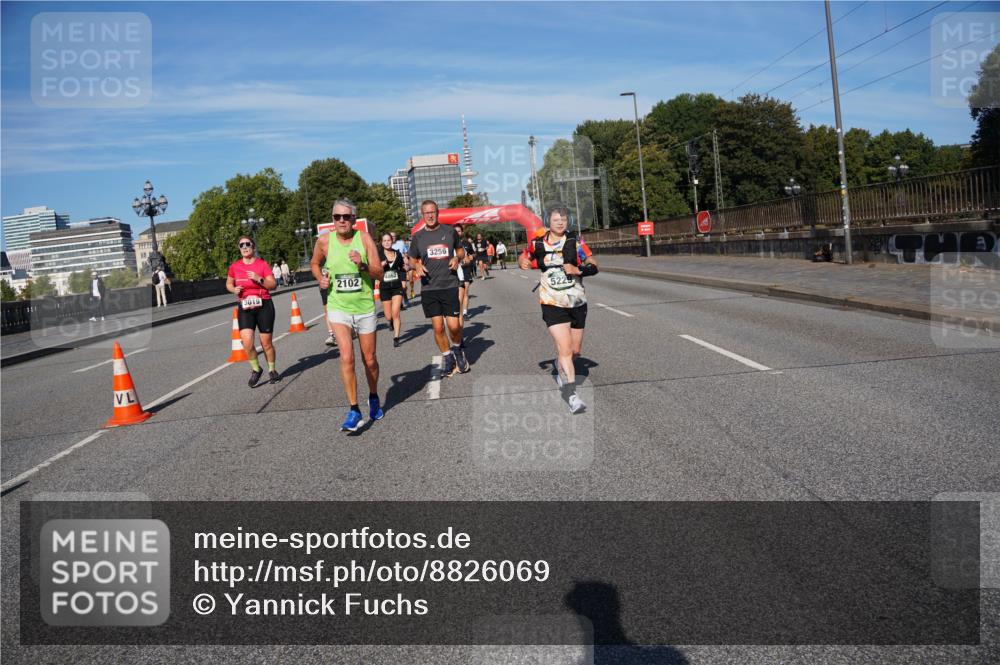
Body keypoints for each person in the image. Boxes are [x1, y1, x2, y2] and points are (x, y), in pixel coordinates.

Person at [311, 199, 385, 432]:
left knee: (369, 360)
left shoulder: (363, 239)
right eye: (337, 217)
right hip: (338, 307)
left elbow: (379, 273)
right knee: (346, 357)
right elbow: (314, 262)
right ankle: (354, 409)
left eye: (346, 217)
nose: (341, 221)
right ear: (332, 219)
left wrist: (362, 265)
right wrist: (319, 278)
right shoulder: (324, 240)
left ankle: (373, 396)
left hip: (364, 307)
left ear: (353, 219)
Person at [518, 204, 598, 414]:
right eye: (556, 219)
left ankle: (558, 363)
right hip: (551, 302)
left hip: (577, 301)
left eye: (563, 219)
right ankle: (571, 394)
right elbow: (523, 257)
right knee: (564, 349)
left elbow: (593, 263)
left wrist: (579, 268)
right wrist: (523, 262)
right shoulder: (537, 243)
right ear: (548, 222)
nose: (561, 222)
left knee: (575, 352)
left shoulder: (575, 241)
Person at [408, 199, 469, 377]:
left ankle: (457, 349)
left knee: (454, 326)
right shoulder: (418, 237)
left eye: (432, 212)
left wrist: (457, 258)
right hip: (429, 288)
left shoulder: (449, 232)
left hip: (449, 284)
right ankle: (448, 357)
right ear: (422, 214)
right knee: (438, 328)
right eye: (426, 213)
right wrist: (416, 266)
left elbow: (460, 251)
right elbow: (411, 259)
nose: (430, 215)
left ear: (438, 213)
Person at [227, 236, 280, 387]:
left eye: (247, 244)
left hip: (264, 305)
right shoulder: (235, 266)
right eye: (241, 245)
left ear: (253, 247)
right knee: (247, 342)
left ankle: (272, 370)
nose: (244, 247)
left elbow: (273, 285)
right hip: (245, 307)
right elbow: (229, 283)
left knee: (266, 343)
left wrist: (259, 279)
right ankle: (256, 369)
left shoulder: (262, 264)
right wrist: (233, 289)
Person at [378, 232, 407, 348]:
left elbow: (403, 269)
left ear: (392, 241)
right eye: (384, 241)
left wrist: (407, 267)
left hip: (396, 287)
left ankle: (396, 337)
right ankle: (390, 322)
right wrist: (380, 265)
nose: (387, 242)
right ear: (382, 242)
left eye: (388, 240)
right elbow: (373, 270)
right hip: (384, 288)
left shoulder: (397, 254)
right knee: (388, 316)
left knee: (396, 313)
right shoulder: (378, 255)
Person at [456, 225, 475, 321]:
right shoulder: (450, 243)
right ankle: (458, 311)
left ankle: (464, 313)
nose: (457, 233)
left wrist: (471, 257)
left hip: (465, 269)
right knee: (457, 293)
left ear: (462, 232)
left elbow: (473, 253)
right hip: (455, 270)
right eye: (456, 231)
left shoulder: (466, 243)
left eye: (459, 231)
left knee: (465, 292)